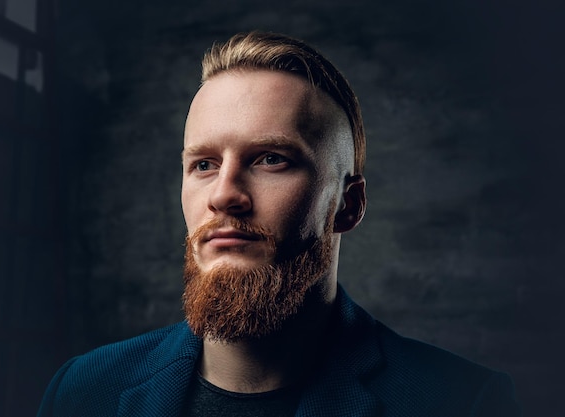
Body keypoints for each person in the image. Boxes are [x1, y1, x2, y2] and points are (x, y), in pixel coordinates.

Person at [37, 31, 520, 417]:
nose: (224, 193)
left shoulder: (461, 402)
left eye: (271, 159)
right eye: (203, 164)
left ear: (348, 205)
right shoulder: (84, 391)